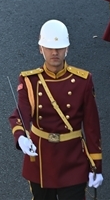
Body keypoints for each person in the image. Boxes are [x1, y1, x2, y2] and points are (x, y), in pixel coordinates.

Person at [9, 20, 103, 200]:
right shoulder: (30, 81)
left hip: (72, 158)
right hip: (41, 158)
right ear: (40, 49)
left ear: (66, 49)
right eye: (49, 48)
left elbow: (92, 127)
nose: (54, 52)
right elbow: (21, 113)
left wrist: (96, 166)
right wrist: (21, 136)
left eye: (59, 48)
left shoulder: (83, 81)